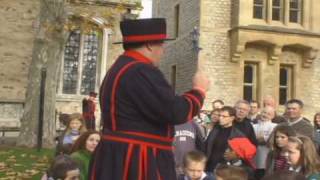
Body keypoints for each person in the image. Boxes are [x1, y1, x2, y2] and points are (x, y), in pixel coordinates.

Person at [89, 18, 209, 180]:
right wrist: (199, 90)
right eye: (161, 44)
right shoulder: (141, 70)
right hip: (137, 157)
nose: (163, 50)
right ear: (149, 45)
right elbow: (175, 112)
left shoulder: (119, 68)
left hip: (117, 154)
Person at [204, 106, 256, 174]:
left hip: (227, 170)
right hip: (209, 168)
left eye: (224, 116)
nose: (220, 118)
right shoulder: (215, 130)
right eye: (220, 115)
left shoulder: (238, 134)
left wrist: (237, 155)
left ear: (232, 118)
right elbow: (206, 146)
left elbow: (251, 151)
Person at [252, 106, 277, 179]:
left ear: (273, 116)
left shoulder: (274, 126)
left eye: (269, 114)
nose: (265, 115)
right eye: (264, 112)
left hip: (266, 159)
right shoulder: (253, 126)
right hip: (253, 158)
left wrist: (262, 139)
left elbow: (271, 141)